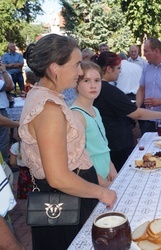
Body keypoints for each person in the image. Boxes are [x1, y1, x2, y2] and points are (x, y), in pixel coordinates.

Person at [19, 34, 117, 250]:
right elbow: (58, 177)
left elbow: (76, 157)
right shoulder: (49, 108)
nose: (80, 72)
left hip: (71, 196)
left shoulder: (42, 97)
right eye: (76, 65)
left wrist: (101, 182)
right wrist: (102, 192)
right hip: (69, 201)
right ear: (55, 68)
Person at [92, 51, 161, 171]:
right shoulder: (110, 91)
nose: (120, 71)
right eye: (118, 68)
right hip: (117, 144)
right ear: (109, 69)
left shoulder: (100, 89)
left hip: (107, 141)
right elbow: (137, 113)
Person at [71, 61, 117, 187]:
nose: (93, 86)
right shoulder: (76, 115)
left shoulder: (95, 110)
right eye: (86, 81)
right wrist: (103, 185)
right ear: (76, 84)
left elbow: (102, 145)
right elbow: (79, 160)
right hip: (91, 180)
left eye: (97, 80)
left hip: (105, 172)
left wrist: (111, 166)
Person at [9, 135, 32, 199]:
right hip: (34, 171)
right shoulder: (34, 145)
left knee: (23, 188)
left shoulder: (15, 146)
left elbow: (12, 162)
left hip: (23, 172)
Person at [0, 62, 15, 160]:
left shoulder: (3, 74)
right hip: (0, 110)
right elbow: (9, 86)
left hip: (3, 108)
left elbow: (12, 86)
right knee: (2, 140)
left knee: (3, 139)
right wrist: (4, 71)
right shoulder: (3, 72)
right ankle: (4, 164)